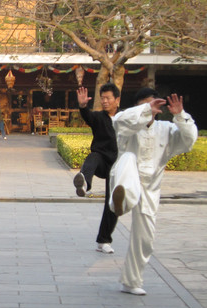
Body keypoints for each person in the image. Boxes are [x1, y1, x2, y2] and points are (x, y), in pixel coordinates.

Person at [109, 88, 198, 295]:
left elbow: (189, 140)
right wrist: (145, 110)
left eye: (154, 104)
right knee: (128, 159)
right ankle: (119, 202)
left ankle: (131, 281)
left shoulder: (166, 129)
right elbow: (118, 121)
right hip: (127, 176)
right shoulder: (128, 126)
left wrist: (179, 115)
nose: (151, 108)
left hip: (150, 188)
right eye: (145, 105)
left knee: (145, 239)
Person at [73, 83, 121, 254]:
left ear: (117, 100)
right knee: (93, 156)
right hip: (101, 161)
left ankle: (104, 241)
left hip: (118, 166)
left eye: (108, 98)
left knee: (113, 203)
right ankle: (84, 182)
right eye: (103, 98)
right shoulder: (99, 117)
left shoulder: (125, 119)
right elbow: (88, 117)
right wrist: (83, 105)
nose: (105, 101)